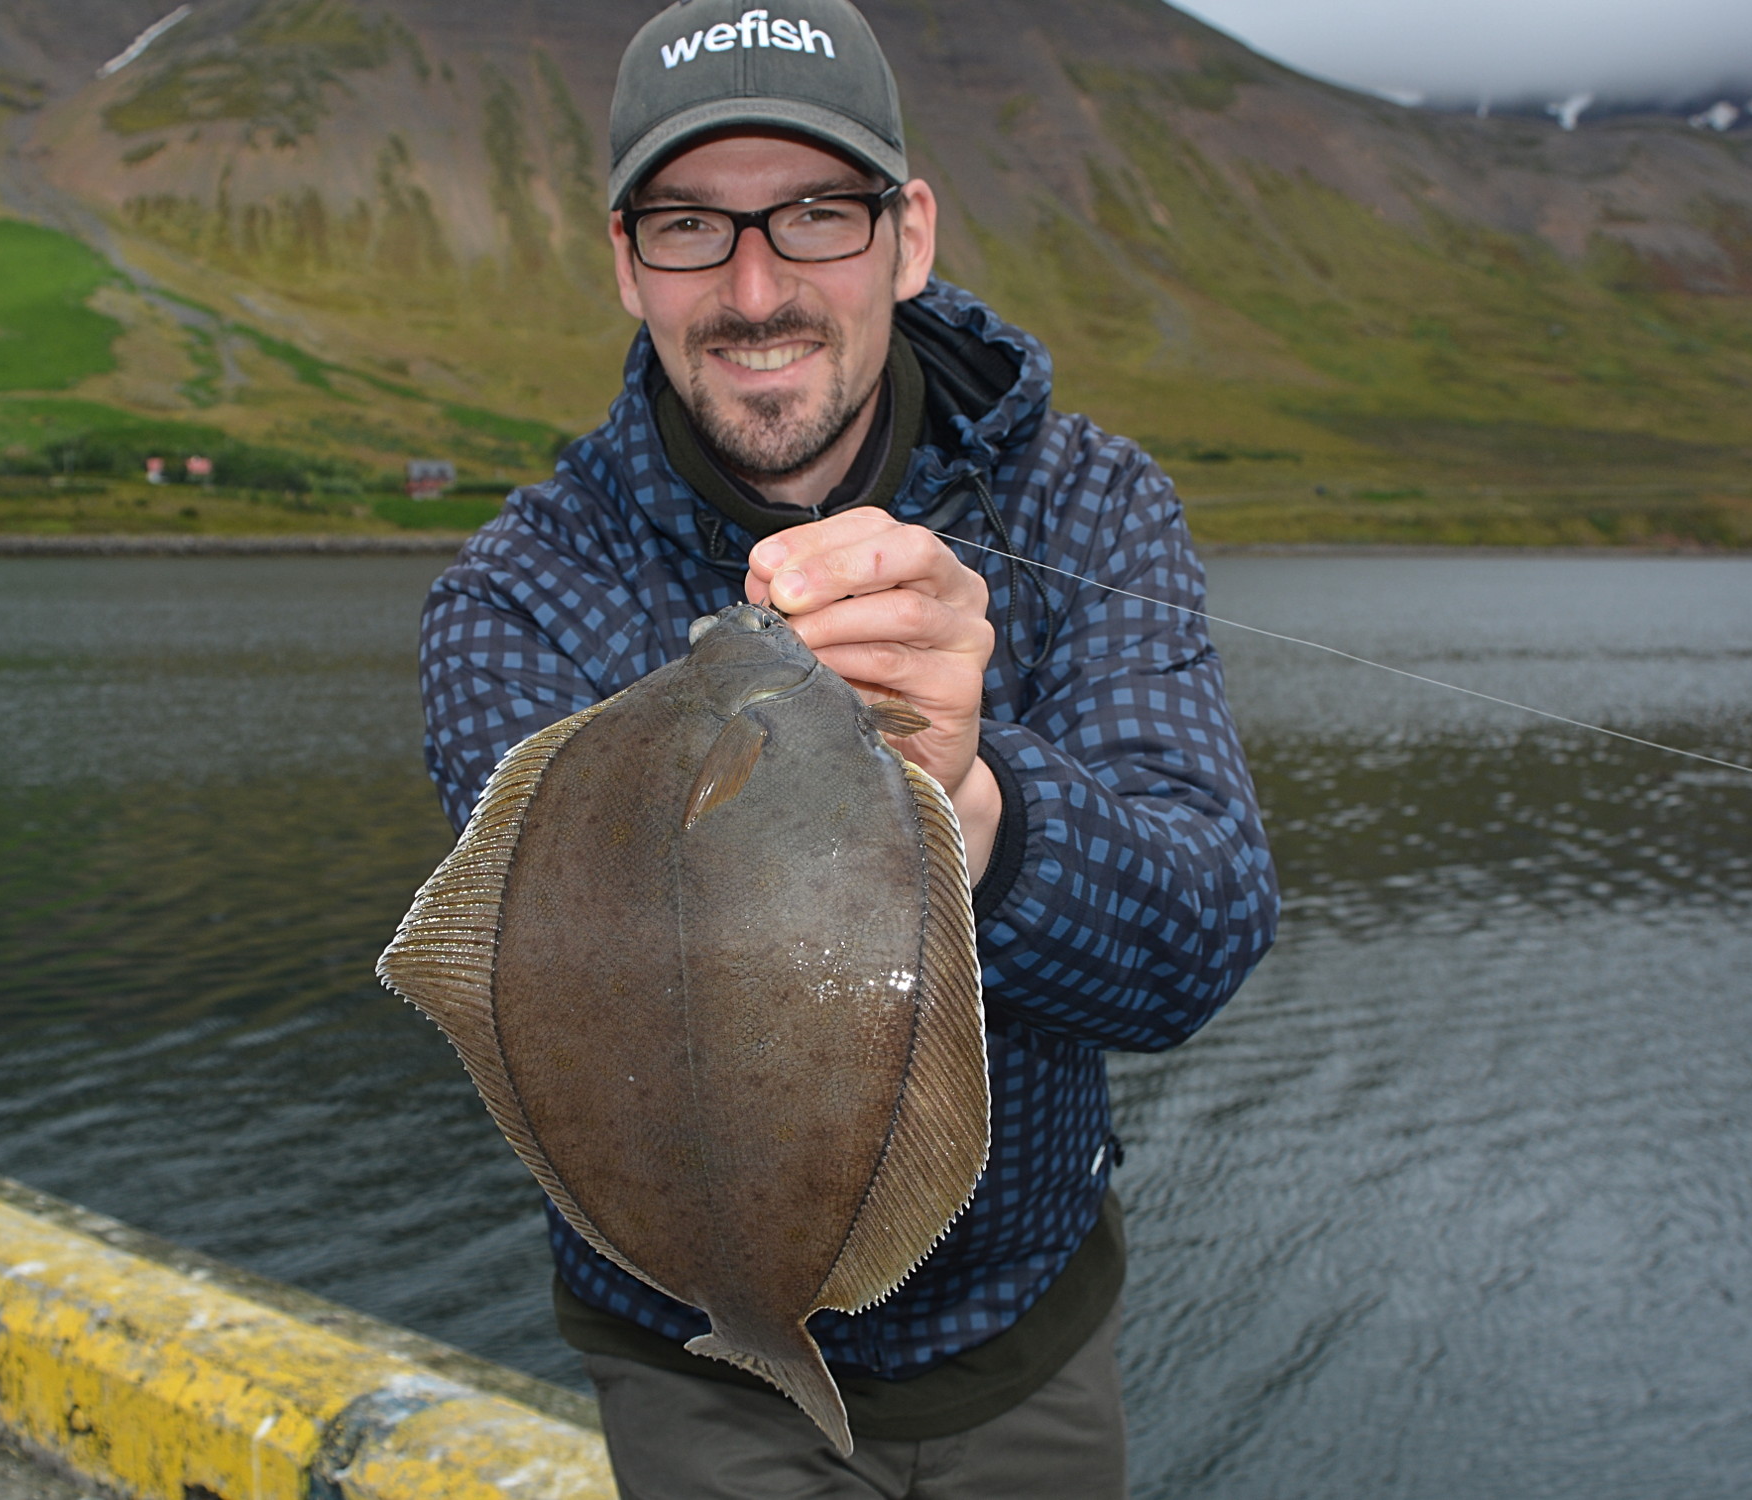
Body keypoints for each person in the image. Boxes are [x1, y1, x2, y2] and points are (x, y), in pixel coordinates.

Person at [416, 0, 1278, 1492]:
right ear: (628, 260)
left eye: (817, 215)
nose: (755, 287)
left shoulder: (1095, 508)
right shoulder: (513, 598)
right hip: (688, 1350)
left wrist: (973, 791)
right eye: (691, 226)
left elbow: (1198, 948)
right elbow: (541, 987)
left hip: (1026, 1336)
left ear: (908, 237)